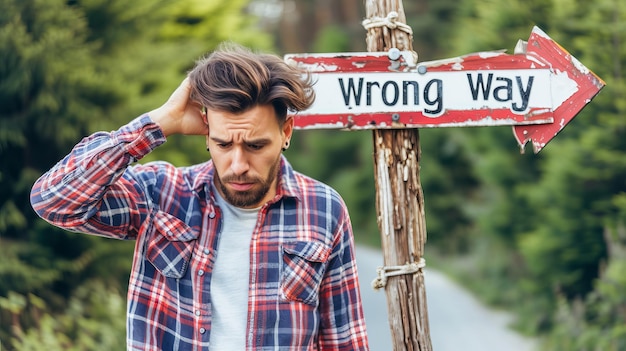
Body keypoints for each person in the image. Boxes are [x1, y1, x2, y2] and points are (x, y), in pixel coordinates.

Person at [30, 43, 370, 350]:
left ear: (285, 132)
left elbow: (345, 339)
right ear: (207, 132)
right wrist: (161, 122)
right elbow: (54, 201)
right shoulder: (161, 194)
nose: (238, 165)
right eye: (224, 144)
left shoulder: (324, 210)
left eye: (255, 145)